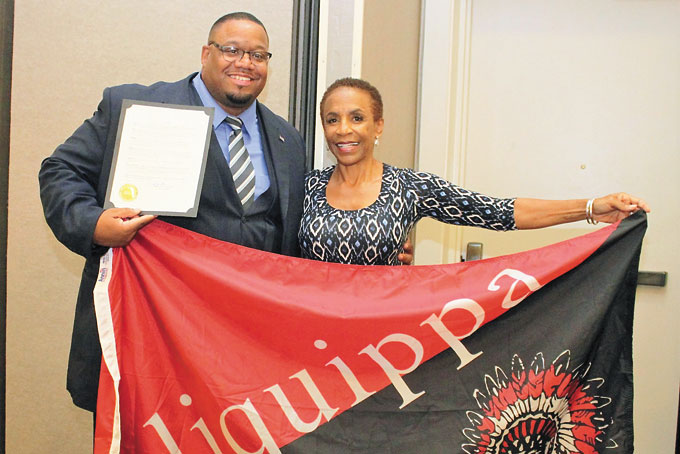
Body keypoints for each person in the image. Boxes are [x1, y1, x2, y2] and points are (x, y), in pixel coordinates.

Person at [38, 12, 308, 413]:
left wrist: (376, 244)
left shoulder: (288, 139)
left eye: (258, 55)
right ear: (205, 53)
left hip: (241, 352)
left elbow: (295, 233)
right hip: (149, 339)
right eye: (231, 50)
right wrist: (94, 224)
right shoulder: (136, 106)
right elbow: (60, 171)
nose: (245, 63)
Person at [299, 77, 650, 265]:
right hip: (314, 340)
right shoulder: (305, 187)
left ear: (378, 126)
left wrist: (590, 208)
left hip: (381, 345)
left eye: (357, 118)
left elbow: (498, 212)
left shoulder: (409, 187)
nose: (343, 129)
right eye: (333, 119)